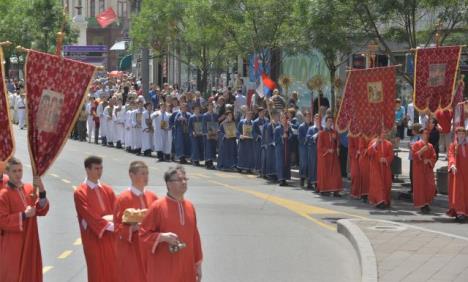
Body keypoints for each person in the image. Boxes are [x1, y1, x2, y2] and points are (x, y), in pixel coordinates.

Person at [139, 166, 203, 282]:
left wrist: (198, 264)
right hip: (164, 268)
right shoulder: (157, 207)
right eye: (179, 180)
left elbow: (195, 237)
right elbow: (142, 235)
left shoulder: (190, 206)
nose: (183, 182)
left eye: (185, 179)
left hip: (186, 268)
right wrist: (161, 237)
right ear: (168, 184)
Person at [0, 157, 49, 282]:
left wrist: (42, 190)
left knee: (30, 272)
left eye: (20, 170)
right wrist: (23, 215)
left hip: (30, 238)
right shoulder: (3, 194)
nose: (18, 174)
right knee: (13, 274)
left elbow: (41, 209)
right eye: (14, 171)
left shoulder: (29, 188)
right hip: (13, 242)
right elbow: (3, 221)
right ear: (7, 172)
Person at [73, 156, 118, 282]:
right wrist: (113, 225)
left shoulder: (108, 189)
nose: (99, 171)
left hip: (111, 238)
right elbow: (90, 216)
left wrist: (115, 223)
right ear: (87, 170)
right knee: (97, 271)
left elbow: (117, 212)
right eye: (96, 168)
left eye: (101, 168)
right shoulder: (80, 192)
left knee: (114, 270)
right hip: (93, 238)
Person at [114, 161, 158, 282]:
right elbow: (117, 227)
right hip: (131, 250)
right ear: (131, 175)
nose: (146, 177)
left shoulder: (153, 197)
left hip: (149, 249)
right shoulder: (123, 198)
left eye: (147, 173)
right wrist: (133, 228)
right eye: (142, 173)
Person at [411, 129, 437, 214]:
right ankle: (423, 205)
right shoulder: (416, 144)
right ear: (421, 135)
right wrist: (422, 150)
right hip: (419, 169)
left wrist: (429, 160)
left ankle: (427, 202)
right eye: (425, 134)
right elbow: (414, 156)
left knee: (431, 186)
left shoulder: (430, 145)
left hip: (428, 169)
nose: (427, 135)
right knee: (421, 187)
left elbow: (434, 156)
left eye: (428, 134)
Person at [316, 116, 343, 196]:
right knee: (325, 173)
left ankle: (335, 190)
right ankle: (324, 189)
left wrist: (336, 144)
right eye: (328, 121)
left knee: (335, 173)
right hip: (325, 157)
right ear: (325, 122)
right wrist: (327, 150)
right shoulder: (321, 133)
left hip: (333, 156)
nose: (330, 123)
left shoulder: (334, 132)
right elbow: (319, 146)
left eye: (331, 121)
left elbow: (337, 142)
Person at [367, 132, 394, 209]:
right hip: (375, 167)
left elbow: (391, 155)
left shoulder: (389, 144)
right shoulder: (373, 142)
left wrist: (385, 159)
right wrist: (376, 144)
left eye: (385, 132)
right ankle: (380, 201)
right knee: (378, 184)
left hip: (385, 168)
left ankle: (385, 200)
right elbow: (369, 153)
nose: (384, 134)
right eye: (382, 132)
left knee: (386, 184)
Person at [447, 127, 468, 222]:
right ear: (456, 134)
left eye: (463, 133)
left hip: (466, 172)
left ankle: (465, 211)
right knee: (459, 191)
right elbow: (451, 155)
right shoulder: (453, 145)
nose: (461, 135)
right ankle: (460, 212)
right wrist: (452, 165)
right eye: (459, 133)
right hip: (458, 172)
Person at [275, 112, 292, 186]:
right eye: (282, 118)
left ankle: (285, 178)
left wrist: (288, 134)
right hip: (280, 148)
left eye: (285, 118)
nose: (284, 120)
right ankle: (281, 179)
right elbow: (275, 139)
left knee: (286, 162)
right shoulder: (277, 128)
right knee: (281, 163)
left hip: (287, 147)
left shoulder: (288, 127)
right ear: (280, 119)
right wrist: (282, 137)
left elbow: (291, 136)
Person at [305, 114, 320, 190]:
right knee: (312, 166)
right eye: (316, 118)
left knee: (319, 167)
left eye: (319, 118)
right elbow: (307, 139)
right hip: (312, 150)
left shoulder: (322, 128)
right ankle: (311, 182)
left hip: (320, 151)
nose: (317, 120)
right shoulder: (311, 129)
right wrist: (316, 135)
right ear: (314, 119)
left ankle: (318, 182)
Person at [202, 102, 218, 169]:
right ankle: (208, 163)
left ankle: (210, 161)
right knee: (208, 148)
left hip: (213, 133)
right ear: (207, 107)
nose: (211, 107)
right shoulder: (205, 115)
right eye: (209, 106)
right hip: (207, 134)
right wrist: (206, 133)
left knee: (212, 147)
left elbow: (216, 123)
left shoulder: (215, 115)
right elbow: (204, 125)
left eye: (212, 106)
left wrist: (216, 132)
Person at [298, 112, 312, 187]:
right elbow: (300, 138)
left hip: (310, 148)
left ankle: (309, 181)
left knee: (310, 164)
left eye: (309, 117)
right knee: (304, 163)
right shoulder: (301, 127)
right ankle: (302, 178)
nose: (308, 118)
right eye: (307, 117)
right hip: (303, 147)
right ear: (304, 118)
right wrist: (307, 139)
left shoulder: (312, 126)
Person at [252, 107, 267, 173]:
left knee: (264, 155)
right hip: (258, 140)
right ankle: (257, 168)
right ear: (259, 113)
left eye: (264, 112)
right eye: (261, 112)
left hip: (265, 140)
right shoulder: (255, 122)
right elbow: (253, 132)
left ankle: (263, 168)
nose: (263, 114)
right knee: (258, 154)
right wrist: (258, 136)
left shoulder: (266, 120)